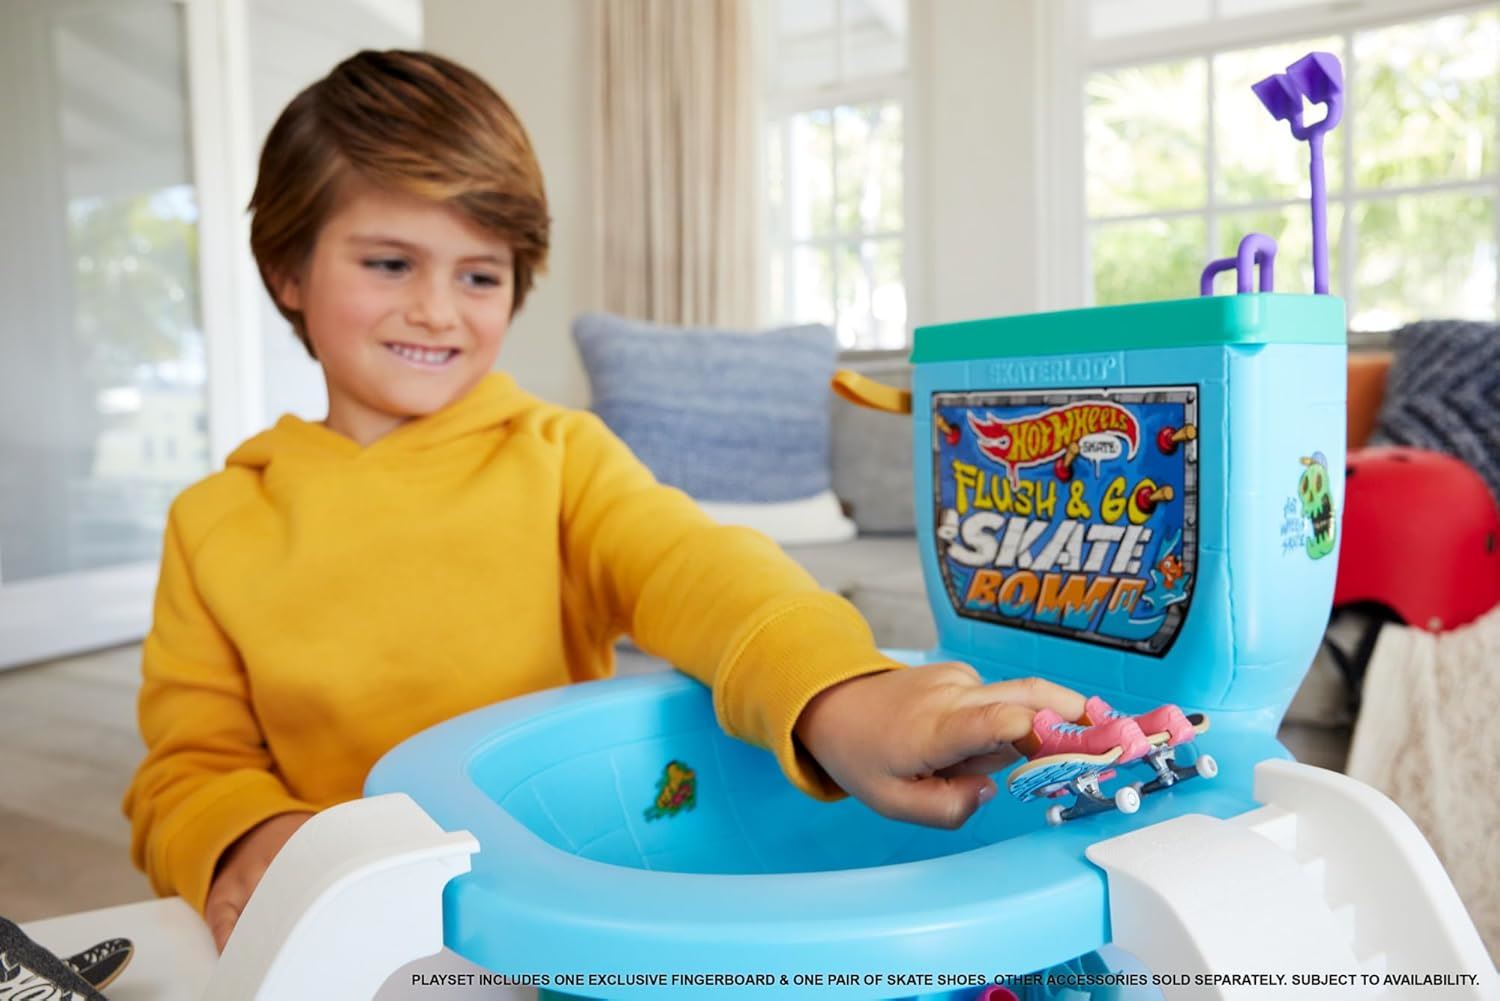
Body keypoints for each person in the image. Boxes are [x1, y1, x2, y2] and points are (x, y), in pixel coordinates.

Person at [121, 49, 1084, 952]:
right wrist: (248, 837)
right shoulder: (213, 521)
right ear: (288, 270)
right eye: (389, 263)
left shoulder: (559, 455)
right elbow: (187, 764)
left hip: (553, 910)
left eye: (479, 274)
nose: (437, 309)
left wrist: (838, 688)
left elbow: (691, 566)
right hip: (347, 926)